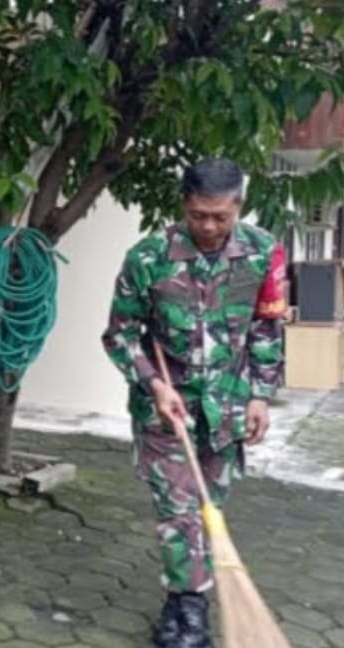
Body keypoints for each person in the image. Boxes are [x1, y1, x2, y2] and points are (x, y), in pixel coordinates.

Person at [101, 158, 284, 648]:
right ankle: (192, 614)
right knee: (180, 511)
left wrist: (261, 396)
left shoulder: (263, 253)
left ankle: (181, 602)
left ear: (238, 207)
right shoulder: (148, 257)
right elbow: (120, 336)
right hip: (166, 410)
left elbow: (267, 327)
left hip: (225, 410)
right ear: (184, 204)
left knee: (208, 509)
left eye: (220, 217)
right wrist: (152, 385)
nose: (208, 226)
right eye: (199, 214)